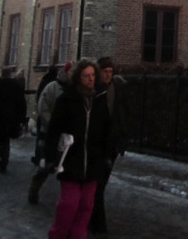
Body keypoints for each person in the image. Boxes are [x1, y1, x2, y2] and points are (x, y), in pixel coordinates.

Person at [45, 58, 112, 239]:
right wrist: (51, 157)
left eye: (92, 75)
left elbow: (106, 128)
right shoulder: (67, 99)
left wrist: (106, 154)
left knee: (86, 206)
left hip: (92, 161)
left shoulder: (99, 99)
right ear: (78, 78)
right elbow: (54, 130)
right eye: (86, 76)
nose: (90, 79)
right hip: (71, 160)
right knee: (69, 205)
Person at [88, 57, 130, 237]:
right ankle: (97, 223)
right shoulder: (92, 90)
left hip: (111, 143)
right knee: (96, 185)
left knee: (100, 185)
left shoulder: (118, 89)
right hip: (94, 144)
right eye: (105, 72)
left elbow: (124, 113)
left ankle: (95, 221)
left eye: (111, 72)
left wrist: (122, 135)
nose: (108, 75)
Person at [29, 62, 72, 204]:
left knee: (66, 167)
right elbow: (43, 108)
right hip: (49, 132)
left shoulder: (75, 89)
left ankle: (67, 197)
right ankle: (34, 188)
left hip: (67, 135)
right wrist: (52, 124)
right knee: (46, 165)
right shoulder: (52, 87)